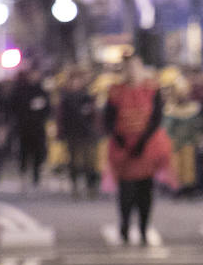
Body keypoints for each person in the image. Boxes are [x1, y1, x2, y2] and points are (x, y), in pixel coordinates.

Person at [105, 55, 171, 246]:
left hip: (148, 147)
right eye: (128, 68)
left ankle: (143, 228)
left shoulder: (152, 89)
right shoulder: (115, 91)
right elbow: (109, 120)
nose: (132, 71)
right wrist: (121, 141)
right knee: (126, 192)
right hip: (123, 148)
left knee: (145, 191)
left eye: (136, 67)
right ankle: (125, 226)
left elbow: (157, 117)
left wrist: (142, 142)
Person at [56, 68, 100, 197]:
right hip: (72, 133)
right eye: (73, 80)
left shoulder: (87, 96)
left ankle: (91, 187)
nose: (76, 83)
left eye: (78, 80)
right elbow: (61, 117)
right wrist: (61, 133)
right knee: (74, 162)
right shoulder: (65, 98)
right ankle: (75, 186)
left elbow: (95, 116)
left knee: (90, 162)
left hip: (88, 133)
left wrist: (95, 130)